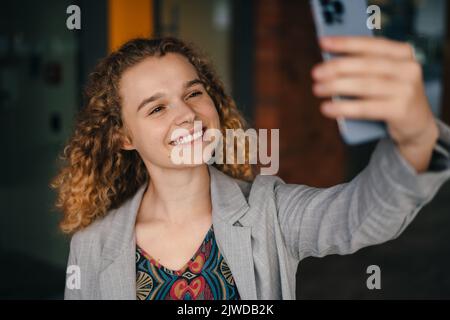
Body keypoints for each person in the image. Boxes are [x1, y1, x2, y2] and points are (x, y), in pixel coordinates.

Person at [53, 36, 450, 300]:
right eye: (157, 108)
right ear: (124, 137)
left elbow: (359, 217)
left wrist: (417, 139)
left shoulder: (269, 211)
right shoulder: (92, 246)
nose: (188, 115)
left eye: (194, 93)